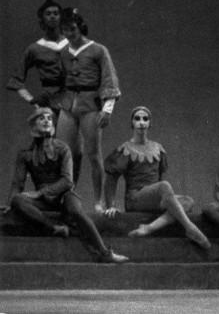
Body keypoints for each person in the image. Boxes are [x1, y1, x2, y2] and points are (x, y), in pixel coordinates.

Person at [7, 108, 128, 263]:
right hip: (43, 202)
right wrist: (10, 203)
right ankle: (55, 228)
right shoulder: (25, 154)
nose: (46, 120)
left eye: (49, 118)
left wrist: (39, 193)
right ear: (33, 124)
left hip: (64, 195)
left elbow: (67, 181)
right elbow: (17, 183)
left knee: (75, 209)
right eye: (41, 118)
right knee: (17, 200)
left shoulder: (62, 148)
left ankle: (105, 253)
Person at [103, 106, 211, 249]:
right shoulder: (126, 148)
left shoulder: (158, 148)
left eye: (145, 119)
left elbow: (160, 179)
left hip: (154, 197)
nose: (141, 122)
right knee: (164, 186)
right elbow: (111, 178)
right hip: (135, 198)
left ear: (150, 123)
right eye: (137, 119)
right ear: (132, 123)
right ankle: (190, 228)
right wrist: (111, 205)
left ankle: (149, 228)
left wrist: (166, 198)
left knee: (187, 201)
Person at [55, 8, 120, 212]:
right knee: (66, 153)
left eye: (72, 29)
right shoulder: (63, 52)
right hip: (68, 104)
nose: (69, 34)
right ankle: (68, 197)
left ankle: (99, 201)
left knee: (93, 154)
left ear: (80, 27)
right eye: (64, 30)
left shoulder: (99, 50)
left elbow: (109, 78)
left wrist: (107, 109)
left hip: (90, 104)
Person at [7, 0, 68, 111]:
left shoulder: (72, 44)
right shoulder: (34, 49)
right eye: (48, 14)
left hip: (74, 101)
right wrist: (31, 100)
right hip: (50, 103)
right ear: (42, 20)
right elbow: (16, 80)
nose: (52, 16)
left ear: (61, 18)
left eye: (56, 13)